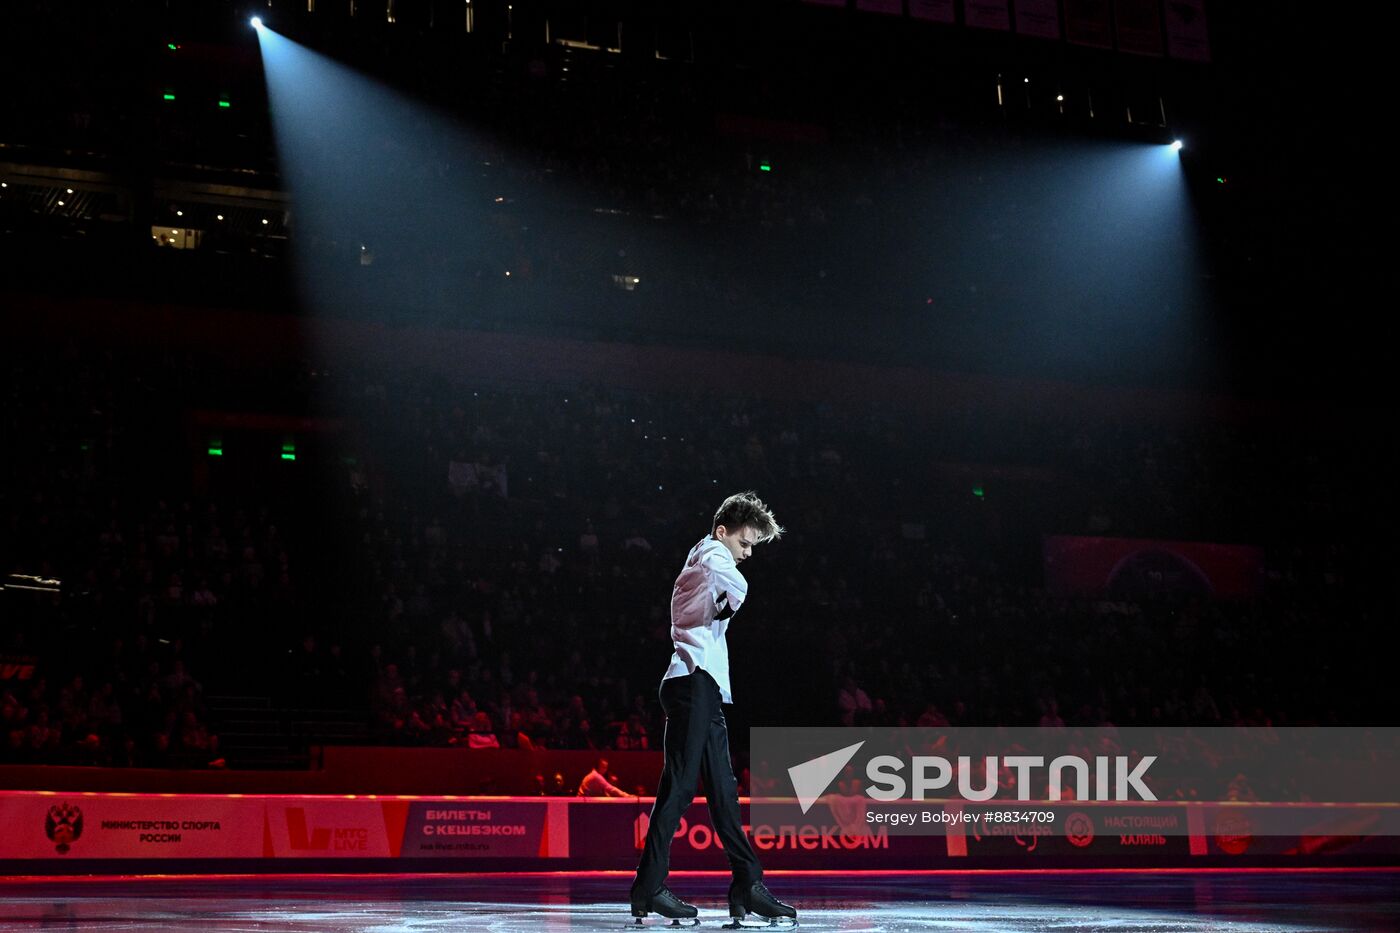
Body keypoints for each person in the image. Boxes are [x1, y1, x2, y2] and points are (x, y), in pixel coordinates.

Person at [629, 492, 797, 926]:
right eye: (746, 543)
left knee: (723, 792)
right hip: (691, 683)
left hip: (705, 688)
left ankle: (747, 884)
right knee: (680, 788)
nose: (747, 554)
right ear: (722, 532)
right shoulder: (709, 554)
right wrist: (729, 600)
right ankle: (649, 887)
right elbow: (737, 585)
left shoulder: (706, 562)